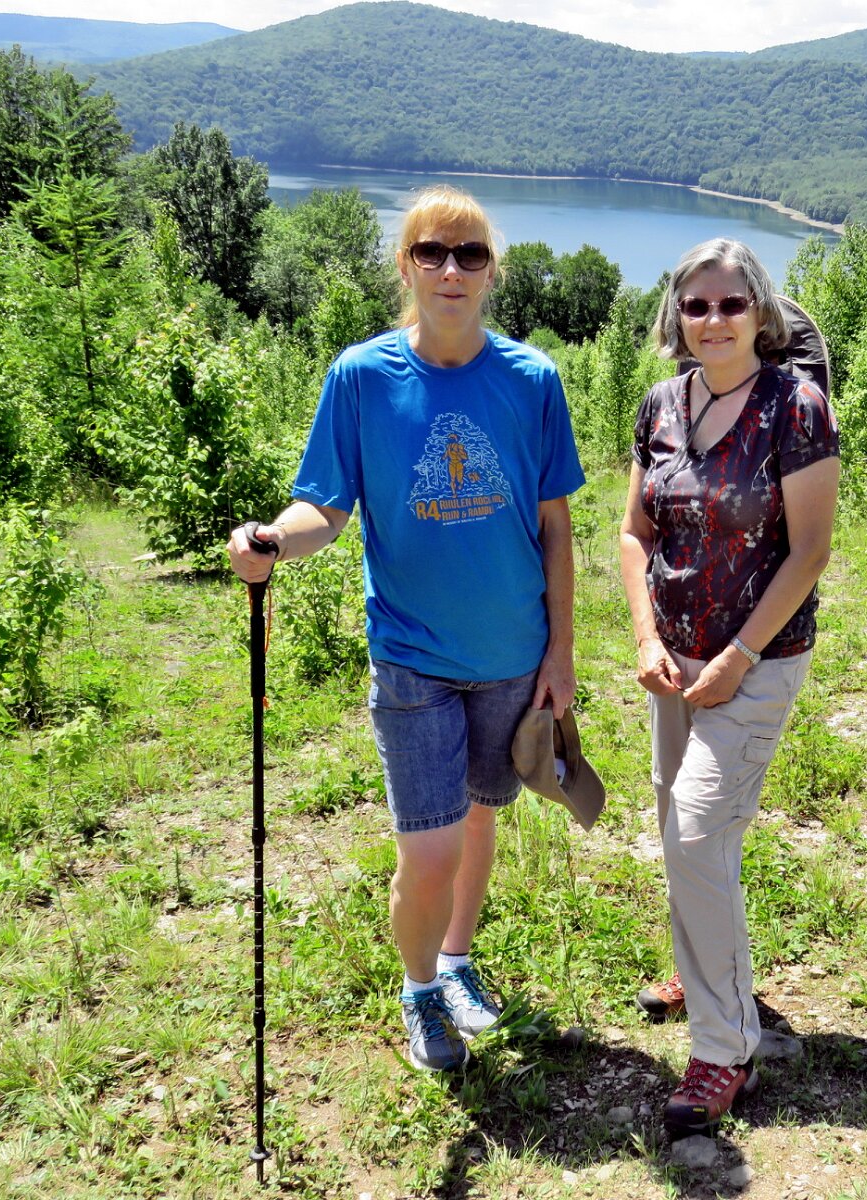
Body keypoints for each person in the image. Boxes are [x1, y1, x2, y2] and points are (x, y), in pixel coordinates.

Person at [228, 186, 585, 1073]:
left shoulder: (532, 380)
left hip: (511, 655)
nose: (451, 269)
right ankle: (419, 989)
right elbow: (324, 508)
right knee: (428, 849)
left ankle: (456, 962)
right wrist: (273, 540)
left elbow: (555, 525)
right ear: (406, 265)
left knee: (478, 817)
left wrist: (561, 652)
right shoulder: (361, 377)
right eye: (432, 251)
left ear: (492, 271)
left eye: (471, 254)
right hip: (412, 659)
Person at [619, 238, 840, 1133]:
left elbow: (810, 550)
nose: (713, 320)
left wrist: (738, 657)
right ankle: (704, 968)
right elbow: (635, 533)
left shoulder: (796, 408)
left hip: (756, 661)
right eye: (696, 305)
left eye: (730, 304)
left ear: (761, 312)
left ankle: (725, 1050)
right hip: (673, 661)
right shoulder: (661, 405)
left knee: (696, 832)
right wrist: (646, 635)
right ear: (677, 316)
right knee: (689, 833)